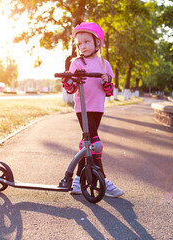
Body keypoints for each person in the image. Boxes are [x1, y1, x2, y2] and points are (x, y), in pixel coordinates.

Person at [62, 22, 124, 198]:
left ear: (98, 42)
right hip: (83, 108)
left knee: (88, 144)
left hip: (98, 108)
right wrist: (68, 80)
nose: (82, 47)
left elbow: (109, 92)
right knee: (95, 144)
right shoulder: (76, 63)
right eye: (79, 44)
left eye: (87, 42)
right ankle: (103, 181)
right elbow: (70, 89)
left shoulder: (105, 64)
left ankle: (76, 183)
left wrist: (106, 81)